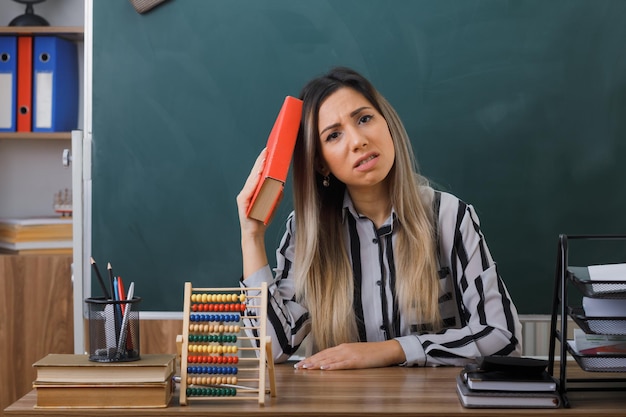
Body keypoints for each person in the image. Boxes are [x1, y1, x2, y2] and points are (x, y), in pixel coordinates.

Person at [237, 67, 522, 370]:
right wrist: (251, 236)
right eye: (334, 135)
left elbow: (504, 339)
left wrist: (391, 350)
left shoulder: (449, 216)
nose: (358, 140)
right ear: (322, 164)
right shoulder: (307, 232)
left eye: (364, 119)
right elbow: (273, 347)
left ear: (387, 124)